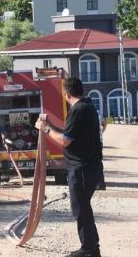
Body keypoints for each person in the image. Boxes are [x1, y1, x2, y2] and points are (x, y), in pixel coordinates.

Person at [36, 76, 104, 257]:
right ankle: (92, 248)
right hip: (91, 167)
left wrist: (45, 129)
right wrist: (49, 126)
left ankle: (88, 249)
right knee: (83, 207)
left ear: (67, 94)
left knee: (80, 208)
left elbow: (65, 141)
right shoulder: (89, 106)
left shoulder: (77, 110)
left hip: (81, 168)